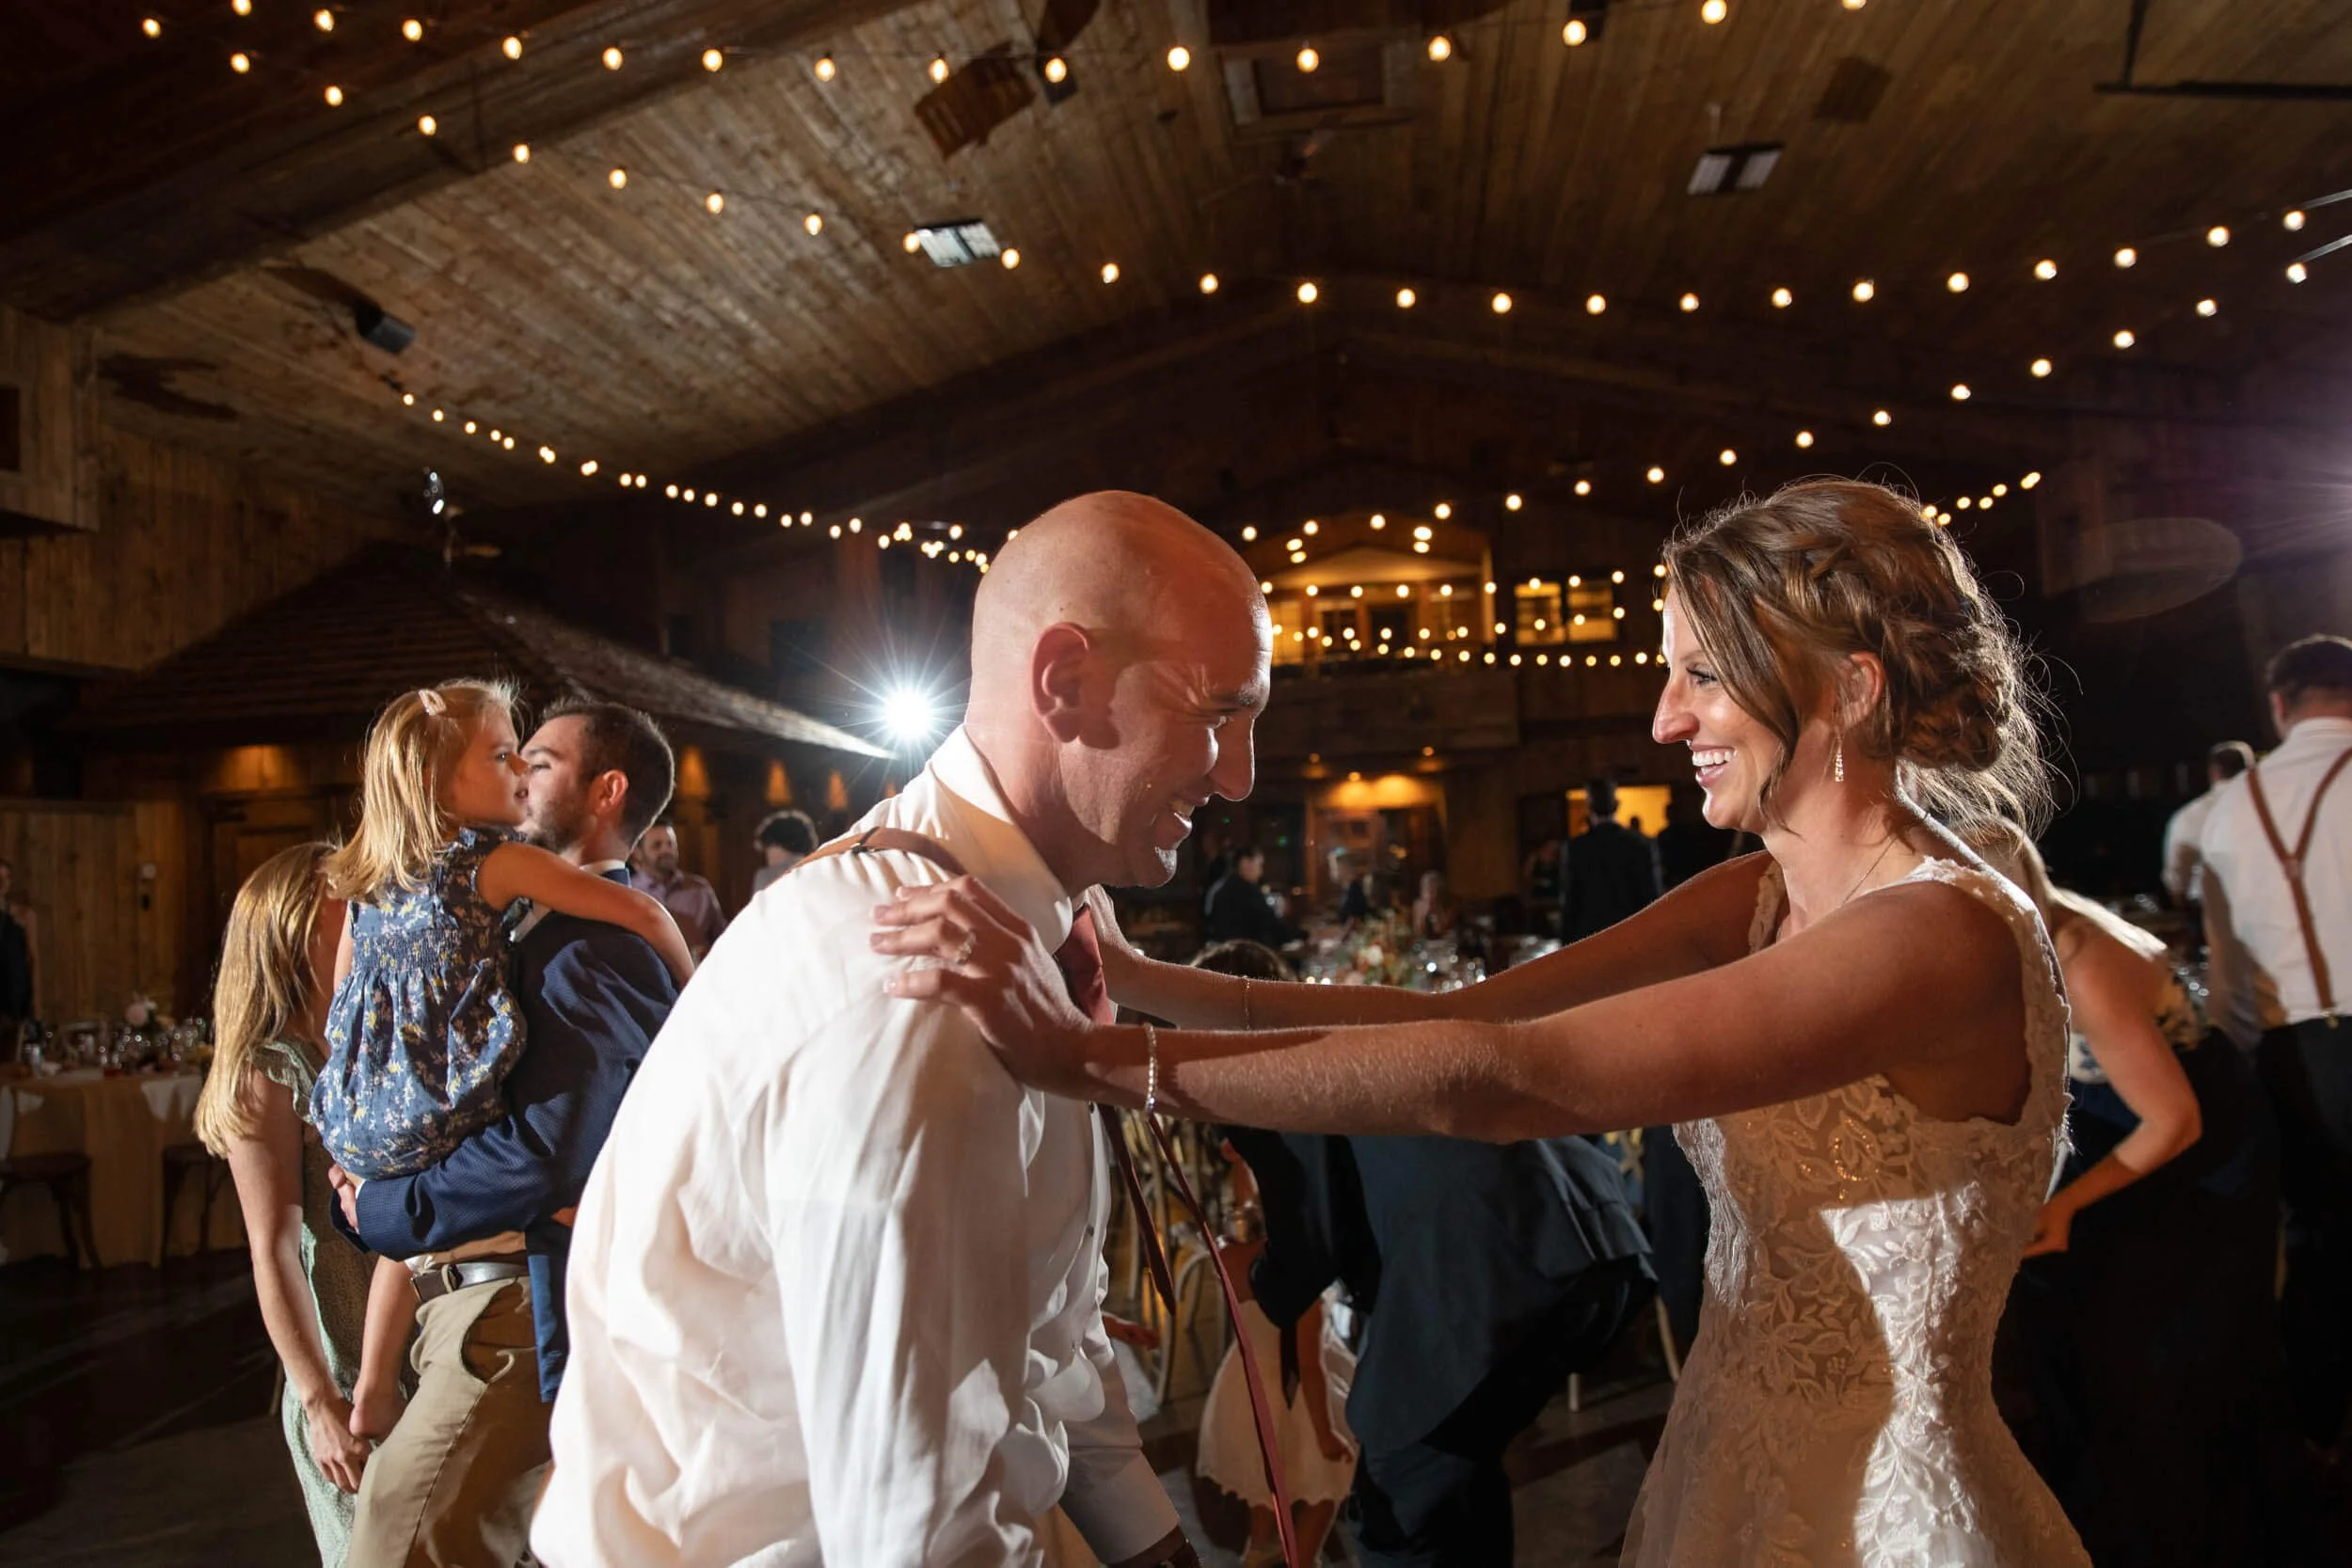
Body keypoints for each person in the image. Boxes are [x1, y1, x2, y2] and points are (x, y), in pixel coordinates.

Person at [879, 478, 2090, 1566]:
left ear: (1849, 687)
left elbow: (1511, 1079)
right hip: (1726, 1456)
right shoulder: (1758, 893)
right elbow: (1461, 1015)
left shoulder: (1934, 935)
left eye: (1702, 674)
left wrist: (1094, 1059)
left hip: (1881, 1507)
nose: (1665, 720)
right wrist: (1144, 979)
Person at [534, 491, 1264, 1568]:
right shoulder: (917, 987)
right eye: (1217, 712)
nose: (1240, 775)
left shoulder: (1009, 929)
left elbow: (1046, 1333)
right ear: (1063, 682)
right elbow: (913, 1527)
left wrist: (1150, 1544)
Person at [312, 680, 692, 1568]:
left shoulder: (590, 945)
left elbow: (547, 1152)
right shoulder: (499, 918)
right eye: (507, 754)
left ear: (607, 795)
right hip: (453, 1301)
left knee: (389, 1546)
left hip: (507, 1307)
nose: (520, 769)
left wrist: (384, 1209)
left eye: (540, 758)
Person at [1987, 832, 2311, 1566]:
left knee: (2165, 1350)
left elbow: (2174, 1119)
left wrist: (2065, 1205)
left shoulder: (2084, 963)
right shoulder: (2040, 928)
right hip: (2127, 1122)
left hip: (2193, 1142)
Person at [195, 843, 373, 1567]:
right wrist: (318, 1400)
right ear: (302, 925)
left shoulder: (363, 1032)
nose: (365, 913)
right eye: (347, 901)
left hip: (405, 1319)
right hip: (340, 1338)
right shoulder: (269, 1069)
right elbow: (272, 1245)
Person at [2201, 633, 2352, 1450]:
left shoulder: (2224, 809)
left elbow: (2229, 977)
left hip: (2294, 1052)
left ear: (2280, 706)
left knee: (2319, 1243)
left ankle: (2317, 1435)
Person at [1561, 778, 1662, 941]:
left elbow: (1571, 904)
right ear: (1617, 804)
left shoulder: (1577, 848)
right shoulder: (1640, 844)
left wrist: (1565, 946)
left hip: (1590, 937)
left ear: (1589, 807)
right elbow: (1652, 898)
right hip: (1631, 935)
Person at [2163, 739, 2253, 910]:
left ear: (2213, 771)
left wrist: (2180, 900)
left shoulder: (2192, 814)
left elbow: (2180, 864)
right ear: (2250, 768)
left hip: (2211, 907)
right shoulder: (2274, 807)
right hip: (2265, 901)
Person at [631, 821, 728, 958]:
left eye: (670, 844)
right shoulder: (629, 892)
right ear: (638, 853)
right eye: (657, 845)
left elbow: (721, 937)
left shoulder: (699, 889)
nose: (666, 850)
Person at [1203, 847, 1304, 949]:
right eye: (1259, 865)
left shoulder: (1223, 885)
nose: (1261, 872)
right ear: (1245, 863)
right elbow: (1271, 925)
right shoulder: (1246, 890)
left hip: (1224, 950)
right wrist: (1304, 935)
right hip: (1241, 953)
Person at [750, 808, 819, 895]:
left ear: (777, 846)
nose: (767, 857)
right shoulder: (818, 870)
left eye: (768, 848)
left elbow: (759, 908)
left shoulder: (766, 876)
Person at [0, 857, 34, 1035]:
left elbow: (32, 958)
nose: (2, 883)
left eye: (6, 878)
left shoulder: (22, 915)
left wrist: (37, 1005)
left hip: (15, 996)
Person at [1408, 868, 1456, 942]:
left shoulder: (1448, 906)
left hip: (1443, 946)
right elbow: (1418, 932)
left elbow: (1441, 931)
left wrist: (1437, 911)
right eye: (1428, 891)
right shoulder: (1418, 905)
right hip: (1423, 946)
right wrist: (1426, 912)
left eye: (1434, 891)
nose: (1431, 895)